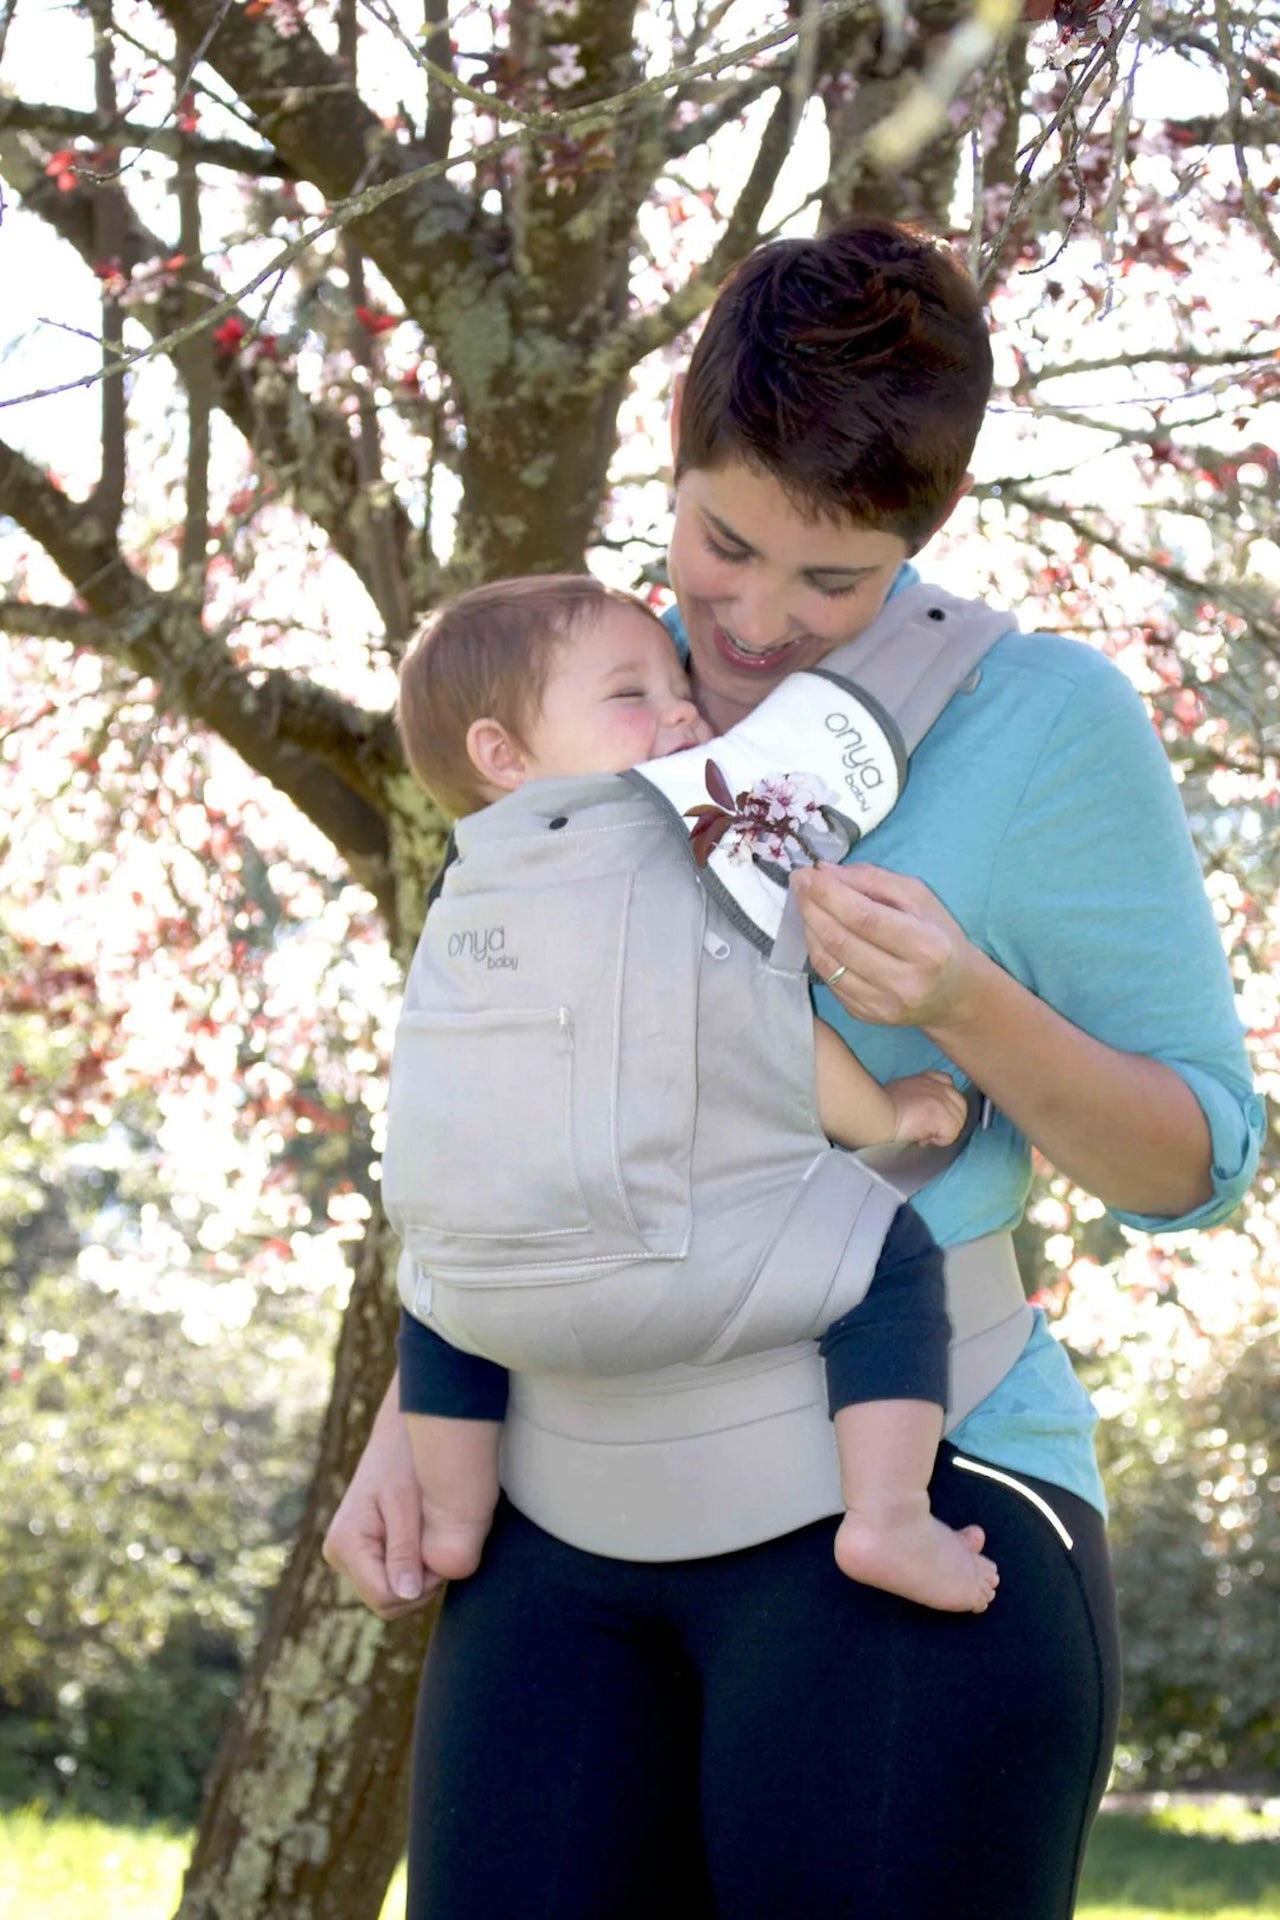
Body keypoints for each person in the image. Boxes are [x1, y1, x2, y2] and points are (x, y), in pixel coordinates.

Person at [325, 217, 1263, 1920]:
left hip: (910, 1479)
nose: (752, 623)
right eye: (720, 545)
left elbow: (1196, 1158)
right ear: (676, 469)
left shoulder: (1041, 722)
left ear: (923, 533)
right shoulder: (580, 691)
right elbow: (530, 1094)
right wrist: (424, 1392)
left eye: (829, 579)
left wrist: (968, 1002)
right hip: (563, 1516)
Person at [389, 570, 992, 1614]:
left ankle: (447, 1515)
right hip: (669, 1276)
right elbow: (771, 1039)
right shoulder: (687, 841)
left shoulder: (458, 895)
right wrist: (893, 1116)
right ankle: (887, 1514)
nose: (678, 712)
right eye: (630, 695)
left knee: (431, 1288)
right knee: (889, 1262)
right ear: (501, 753)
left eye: (676, 685)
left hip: (484, 1308)